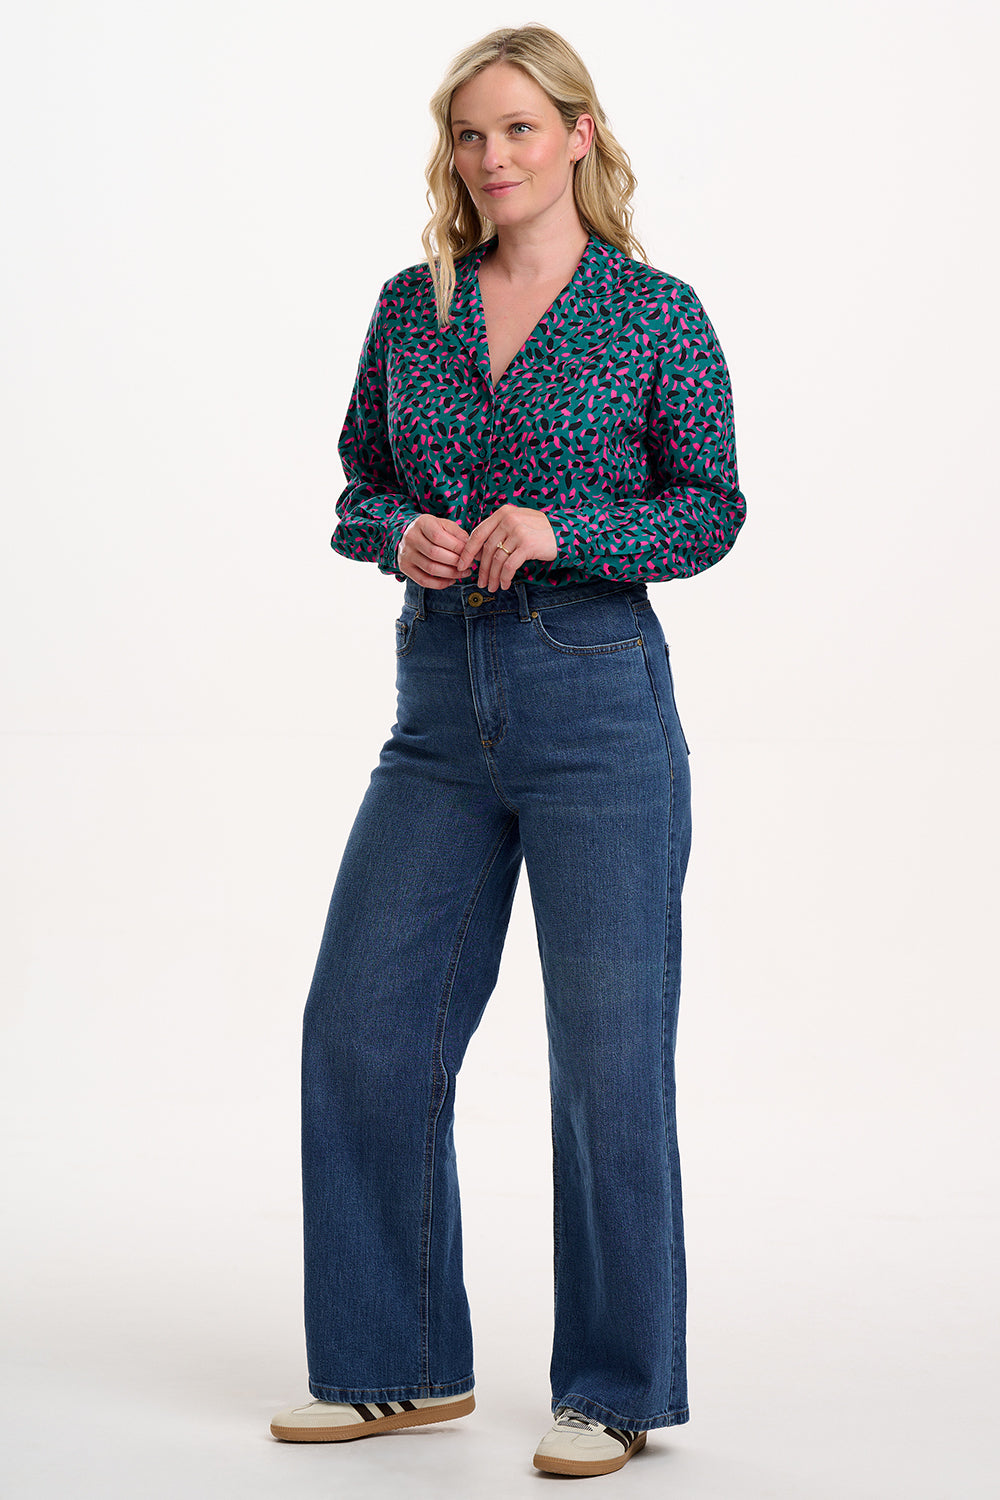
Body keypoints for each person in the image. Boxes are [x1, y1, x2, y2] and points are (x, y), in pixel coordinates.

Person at [270, 22, 746, 1479]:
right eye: (471, 137)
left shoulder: (657, 317)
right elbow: (358, 477)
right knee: (360, 1024)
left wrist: (565, 531)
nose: (491, 159)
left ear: (580, 138)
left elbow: (712, 508)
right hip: (436, 712)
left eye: (519, 131)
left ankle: (612, 1388)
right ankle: (397, 1364)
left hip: (598, 705)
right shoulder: (410, 310)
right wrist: (391, 532)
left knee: (608, 1063)